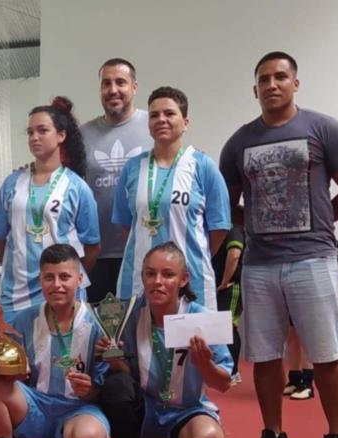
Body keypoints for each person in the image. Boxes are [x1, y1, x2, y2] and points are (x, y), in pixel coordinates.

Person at [219, 51, 338, 438]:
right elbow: (225, 204)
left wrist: (320, 222)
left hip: (314, 258)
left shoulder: (324, 129)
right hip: (260, 264)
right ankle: (273, 437)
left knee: (325, 354)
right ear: (255, 89)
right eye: (264, 78)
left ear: (295, 83)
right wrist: (257, 225)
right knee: (265, 357)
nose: (272, 84)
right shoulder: (240, 141)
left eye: (280, 76)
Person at [0, 244, 110, 438]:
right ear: (41, 280)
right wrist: (9, 370)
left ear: (80, 279)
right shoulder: (24, 321)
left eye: (64, 277)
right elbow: (0, 361)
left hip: (79, 410)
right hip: (35, 407)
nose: (56, 284)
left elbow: (106, 389)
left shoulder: (99, 323)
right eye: (49, 277)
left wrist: (89, 389)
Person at [99, 242, 232, 438]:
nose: (157, 281)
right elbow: (127, 378)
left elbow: (224, 383)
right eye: (150, 274)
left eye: (167, 275)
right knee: (115, 386)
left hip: (186, 410)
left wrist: (206, 364)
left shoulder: (202, 320)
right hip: (146, 408)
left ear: (183, 280)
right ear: (143, 277)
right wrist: (114, 360)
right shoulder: (128, 316)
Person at [113, 86, 231, 310]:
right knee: (139, 342)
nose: (161, 119)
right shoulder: (132, 168)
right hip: (139, 280)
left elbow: (219, 228)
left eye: (169, 113)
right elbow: (127, 226)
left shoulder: (203, 166)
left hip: (192, 280)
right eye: (154, 115)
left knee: (194, 344)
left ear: (185, 122)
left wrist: (190, 255)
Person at [0, 97, 100, 325]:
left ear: (61, 135)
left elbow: (92, 245)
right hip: (16, 293)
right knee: (18, 359)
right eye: (30, 132)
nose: (34, 137)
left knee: (65, 358)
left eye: (42, 130)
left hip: (63, 293)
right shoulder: (12, 183)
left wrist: (67, 276)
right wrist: (17, 266)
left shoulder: (76, 187)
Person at [81, 58, 152, 303]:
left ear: (134, 86)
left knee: (141, 335)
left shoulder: (153, 124)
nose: (113, 90)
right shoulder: (83, 135)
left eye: (120, 82)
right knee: (100, 336)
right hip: (96, 255)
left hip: (145, 252)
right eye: (106, 83)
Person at [211, 224, 245, 382]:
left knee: (229, 327)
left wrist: (225, 282)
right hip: (215, 287)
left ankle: (233, 372)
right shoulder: (212, 231)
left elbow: (234, 255)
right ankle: (223, 368)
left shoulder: (234, 230)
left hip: (230, 287)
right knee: (218, 328)